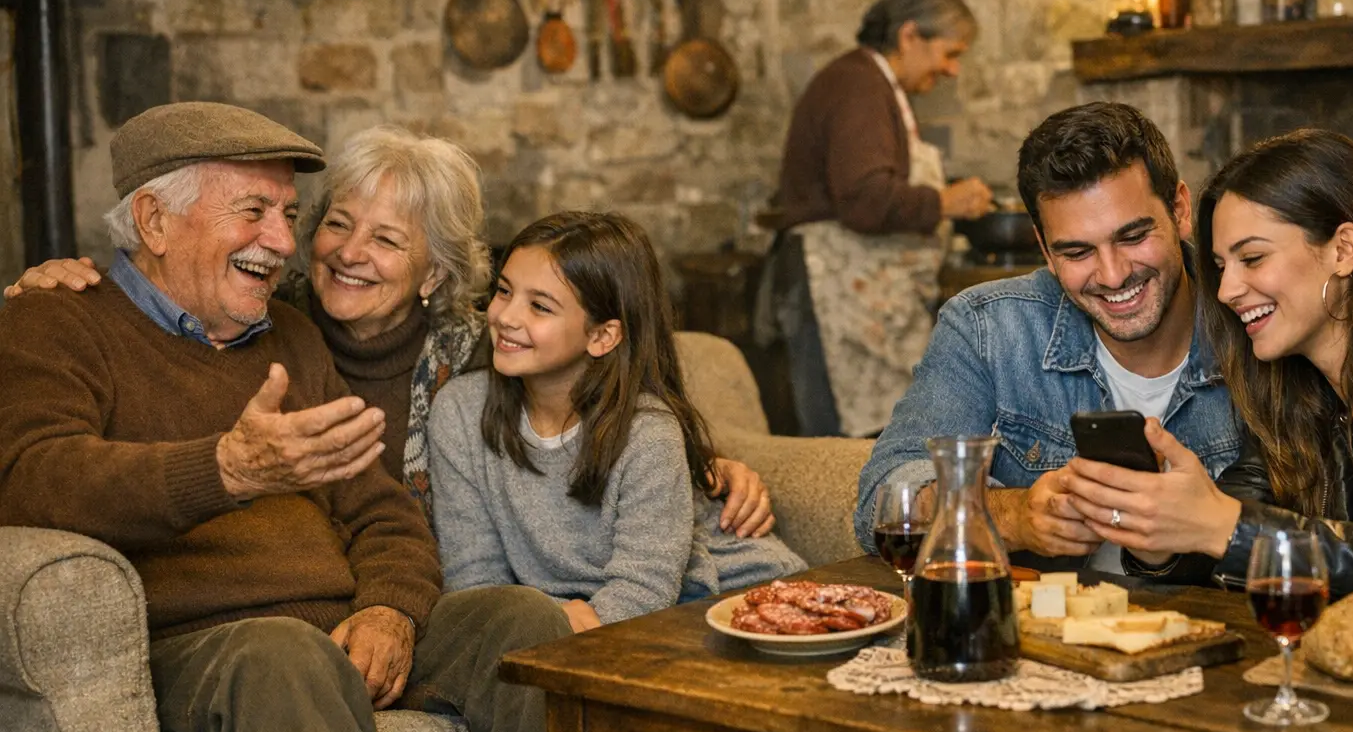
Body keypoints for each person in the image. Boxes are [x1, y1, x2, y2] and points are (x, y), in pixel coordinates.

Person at [0, 102, 569, 732]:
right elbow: (30, 478)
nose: (285, 242)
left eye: (289, 215)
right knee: (284, 654)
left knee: (523, 621)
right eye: (253, 211)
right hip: (202, 643)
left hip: (331, 633)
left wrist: (390, 609)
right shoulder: (58, 321)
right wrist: (224, 469)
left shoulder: (293, 334)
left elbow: (381, 512)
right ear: (153, 220)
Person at [5, 127, 777, 538]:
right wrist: (53, 285)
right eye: (335, 223)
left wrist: (711, 464)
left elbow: (604, 402)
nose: (347, 252)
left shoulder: (485, 347)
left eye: (386, 241)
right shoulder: (269, 314)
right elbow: (158, 301)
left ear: (435, 274)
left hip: (440, 580)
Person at [1059, 129, 1353, 606]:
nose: (1226, 291)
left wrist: (1226, 526)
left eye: (1252, 258)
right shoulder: (1289, 384)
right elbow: (1230, 529)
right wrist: (1161, 531)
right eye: (1222, 266)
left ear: (1343, 249)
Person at [854, 102, 1242, 572]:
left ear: (1180, 209)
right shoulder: (987, 327)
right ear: (1044, 249)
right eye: (1077, 251)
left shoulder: (1253, 321)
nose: (1113, 274)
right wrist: (1014, 516)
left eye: (1133, 236)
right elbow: (886, 494)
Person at [429, 211, 807, 632]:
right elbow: (475, 584)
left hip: (729, 599)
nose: (505, 317)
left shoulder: (646, 431)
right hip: (597, 614)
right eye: (504, 291)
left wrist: (557, 625)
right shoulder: (460, 411)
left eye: (539, 306)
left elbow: (643, 590)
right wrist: (535, 623)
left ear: (603, 336)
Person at [768, 0, 994, 437]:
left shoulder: (872, 84)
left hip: (856, 297)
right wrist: (945, 202)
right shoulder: (858, 87)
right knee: (841, 454)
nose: (952, 70)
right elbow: (864, 198)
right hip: (828, 292)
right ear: (909, 36)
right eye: (950, 53)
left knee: (880, 441)